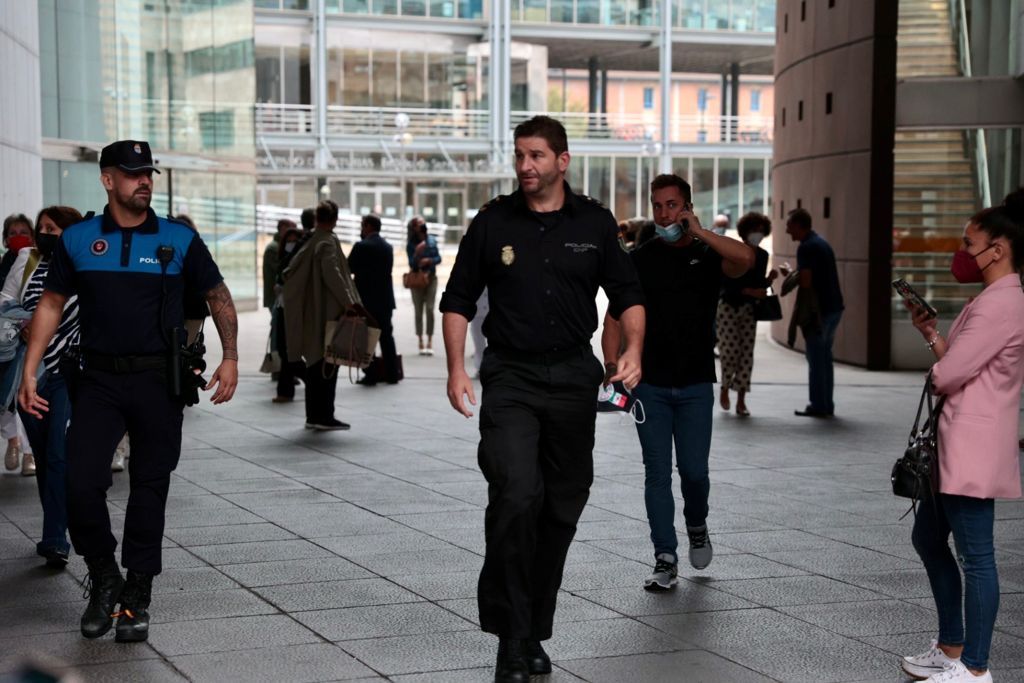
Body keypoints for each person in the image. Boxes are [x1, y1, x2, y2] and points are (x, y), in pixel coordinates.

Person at [440, 115, 645, 683]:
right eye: (519, 156)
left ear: (562, 160)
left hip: (574, 378)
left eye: (535, 156)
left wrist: (634, 350)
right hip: (510, 377)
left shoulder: (595, 223)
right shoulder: (493, 222)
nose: (525, 166)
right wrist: (457, 368)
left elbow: (628, 293)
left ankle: (533, 629)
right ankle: (511, 637)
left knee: (561, 504)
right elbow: (457, 299)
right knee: (515, 494)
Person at [19, 139, 239, 644]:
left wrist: (230, 357)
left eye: (149, 173)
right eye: (133, 172)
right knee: (79, 482)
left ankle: (135, 597)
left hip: (159, 381)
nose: (144, 180)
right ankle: (103, 577)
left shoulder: (178, 239)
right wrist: (30, 370)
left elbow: (217, 295)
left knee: (149, 486)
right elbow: (51, 304)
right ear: (107, 179)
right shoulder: (77, 239)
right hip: (96, 379)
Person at [603, 173, 753, 592]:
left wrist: (701, 232)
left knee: (694, 472)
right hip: (649, 386)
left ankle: (697, 523)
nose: (664, 213)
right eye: (658, 205)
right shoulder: (641, 258)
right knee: (656, 473)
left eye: (672, 205)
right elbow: (614, 317)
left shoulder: (708, 254)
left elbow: (747, 260)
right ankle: (664, 556)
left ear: (686, 207)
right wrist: (612, 364)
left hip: (694, 386)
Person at [901, 192, 1024, 683]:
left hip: (972, 448)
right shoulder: (993, 299)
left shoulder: (1003, 303)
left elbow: (950, 376)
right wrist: (931, 334)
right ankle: (952, 646)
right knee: (928, 538)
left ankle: (974, 668)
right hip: (957, 446)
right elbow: (957, 362)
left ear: (997, 249)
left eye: (969, 243)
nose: (962, 251)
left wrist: (941, 368)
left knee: (977, 557)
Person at [15, 205, 82, 568]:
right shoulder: (30, 265)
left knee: (57, 454)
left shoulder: (83, 268)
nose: (44, 233)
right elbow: (9, 300)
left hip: (66, 373)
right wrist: (21, 320)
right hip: (31, 374)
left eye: (52, 228)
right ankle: (55, 525)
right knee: (44, 457)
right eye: (41, 227)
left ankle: (56, 538)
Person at [282, 199, 360, 431]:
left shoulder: (311, 240)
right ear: (335, 220)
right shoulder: (327, 242)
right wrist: (349, 302)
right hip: (328, 314)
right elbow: (333, 274)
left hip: (313, 312)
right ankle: (324, 416)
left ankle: (313, 415)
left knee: (315, 365)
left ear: (317, 218)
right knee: (328, 366)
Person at [783, 208, 844, 417]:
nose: (786, 230)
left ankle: (818, 405)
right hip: (834, 306)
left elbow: (807, 281)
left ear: (799, 225)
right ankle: (827, 404)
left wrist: (791, 276)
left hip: (819, 311)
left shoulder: (806, 247)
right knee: (825, 358)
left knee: (816, 359)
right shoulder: (821, 242)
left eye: (789, 225)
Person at [717, 212, 777, 417]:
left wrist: (769, 280)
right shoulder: (733, 251)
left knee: (746, 354)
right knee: (729, 351)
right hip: (728, 307)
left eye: (761, 231)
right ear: (745, 231)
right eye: (755, 230)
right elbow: (726, 283)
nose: (758, 234)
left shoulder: (762, 256)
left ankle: (741, 399)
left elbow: (758, 283)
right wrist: (751, 291)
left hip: (749, 309)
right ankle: (724, 389)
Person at [1, 214, 35, 474]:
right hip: (6, 341)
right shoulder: (3, 267)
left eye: (24, 231)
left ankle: (28, 453)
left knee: (26, 391)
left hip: (32, 336)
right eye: (13, 233)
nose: (19, 237)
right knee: (6, 394)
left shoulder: (35, 262)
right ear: (4, 239)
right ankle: (13, 440)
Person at [348, 214, 399, 385]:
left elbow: (349, 268)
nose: (361, 229)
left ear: (368, 226)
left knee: (366, 337)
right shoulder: (387, 247)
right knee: (386, 336)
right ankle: (392, 373)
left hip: (366, 301)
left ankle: (371, 373)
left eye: (363, 226)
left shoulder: (361, 246)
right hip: (385, 300)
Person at [272, 225, 304, 402]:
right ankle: (285, 390)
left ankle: (287, 389)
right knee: (285, 351)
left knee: (288, 352)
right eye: (288, 241)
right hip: (282, 307)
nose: (290, 244)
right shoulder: (282, 259)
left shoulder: (295, 260)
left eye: (294, 241)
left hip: (293, 311)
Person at [406, 215, 441, 356]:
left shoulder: (432, 240)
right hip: (417, 279)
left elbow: (439, 258)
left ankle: (430, 340)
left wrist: (429, 260)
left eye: (423, 223)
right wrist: (417, 253)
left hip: (431, 278)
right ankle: (420, 339)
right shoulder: (411, 244)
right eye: (419, 223)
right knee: (418, 310)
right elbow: (411, 264)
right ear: (414, 227)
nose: (422, 225)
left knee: (430, 308)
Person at [263, 219, 293, 312]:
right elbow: (281, 270)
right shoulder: (274, 248)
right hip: (274, 296)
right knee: (276, 324)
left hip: (277, 295)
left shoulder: (281, 246)